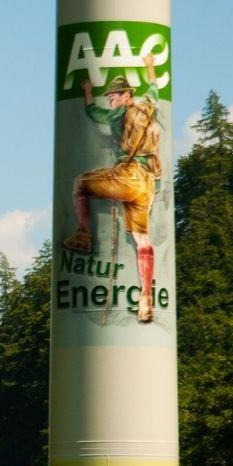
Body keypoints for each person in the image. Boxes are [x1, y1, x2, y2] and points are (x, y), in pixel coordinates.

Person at [64, 52, 163, 322]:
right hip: (148, 181)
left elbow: (94, 113)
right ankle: (146, 300)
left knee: (81, 183)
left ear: (126, 96)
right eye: (110, 95)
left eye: (115, 95)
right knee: (143, 240)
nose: (111, 98)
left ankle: (84, 236)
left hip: (129, 174)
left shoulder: (120, 113)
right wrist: (150, 66)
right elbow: (153, 89)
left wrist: (87, 93)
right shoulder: (147, 105)